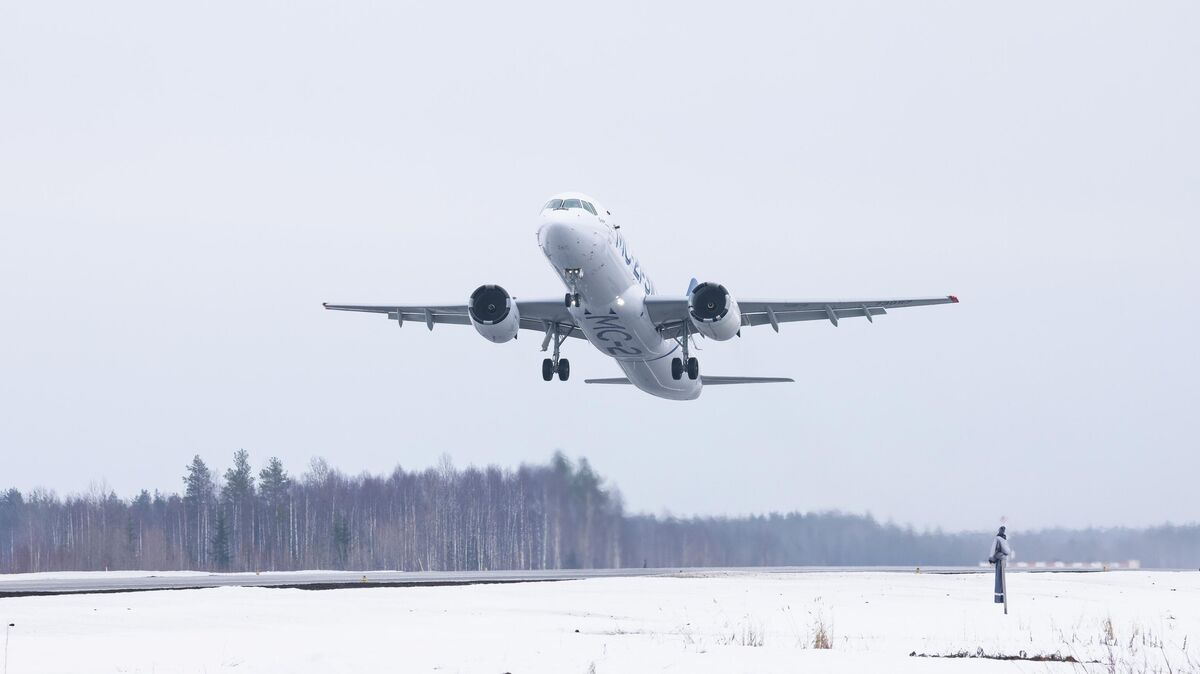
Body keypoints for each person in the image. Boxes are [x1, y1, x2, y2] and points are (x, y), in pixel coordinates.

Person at [988, 526, 1013, 606]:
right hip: (1002, 559)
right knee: (1000, 579)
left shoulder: (998, 539)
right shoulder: (1003, 539)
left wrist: (991, 558)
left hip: (1000, 560)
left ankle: (1000, 598)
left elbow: (993, 550)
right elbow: (1008, 551)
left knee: (999, 579)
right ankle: (1001, 598)